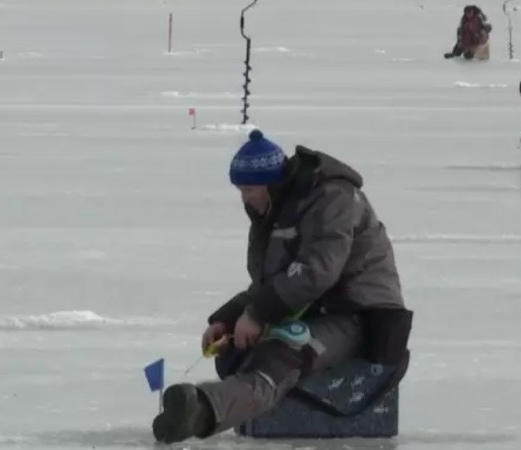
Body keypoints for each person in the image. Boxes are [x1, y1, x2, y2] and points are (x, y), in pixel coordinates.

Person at [151, 130, 413, 444]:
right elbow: (270, 282)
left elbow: (316, 271)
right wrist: (230, 319)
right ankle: (206, 406)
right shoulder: (277, 210)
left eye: (249, 189)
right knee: (238, 352)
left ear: (270, 183)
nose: (244, 198)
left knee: (282, 354)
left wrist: (259, 314)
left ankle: (202, 410)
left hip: (358, 315)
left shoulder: (332, 198)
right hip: (314, 308)